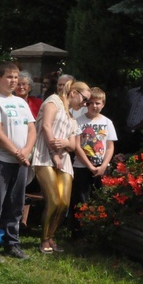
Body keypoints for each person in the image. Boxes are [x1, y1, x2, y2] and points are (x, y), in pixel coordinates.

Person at [0, 61, 36, 262]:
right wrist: (16, 153)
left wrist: (26, 151)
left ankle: (12, 242)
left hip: (20, 162)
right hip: (1, 160)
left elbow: (31, 128)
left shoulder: (21, 102)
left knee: (16, 204)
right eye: (9, 77)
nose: (13, 81)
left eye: (16, 77)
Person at [31, 78, 90, 254]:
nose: (85, 104)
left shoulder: (72, 117)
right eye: (84, 100)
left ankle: (51, 237)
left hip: (63, 161)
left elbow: (72, 145)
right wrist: (54, 153)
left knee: (64, 203)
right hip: (44, 156)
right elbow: (46, 126)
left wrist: (64, 142)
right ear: (73, 93)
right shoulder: (53, 102)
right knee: (53, 200)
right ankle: (43, 240)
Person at [71, 87, 117, 238]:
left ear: (103, 104)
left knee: (100, 200)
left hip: (101, 167)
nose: (94, 106)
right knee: (81, 200)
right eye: (91, 103)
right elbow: (77, 146)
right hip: (82, 166)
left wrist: (103, 165)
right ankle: (79, 232)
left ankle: (97, 232)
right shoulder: (78, 121)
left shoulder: (107, 122)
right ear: (86, 104)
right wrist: (89, 166)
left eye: (97, 103)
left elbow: (110, 146)